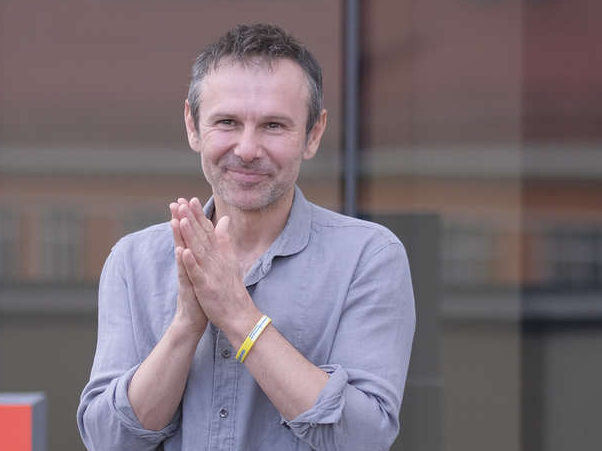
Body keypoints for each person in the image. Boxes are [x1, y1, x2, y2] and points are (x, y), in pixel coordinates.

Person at [77, 23, 415, 451]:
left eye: (273, 125)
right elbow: (108, 441)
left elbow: (363, 438)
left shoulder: (369, 257)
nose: (248, 149)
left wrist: (239, 317)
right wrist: (186, 325)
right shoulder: (133, 261)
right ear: (192, 125)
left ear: (313, 134)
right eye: (227, 122)